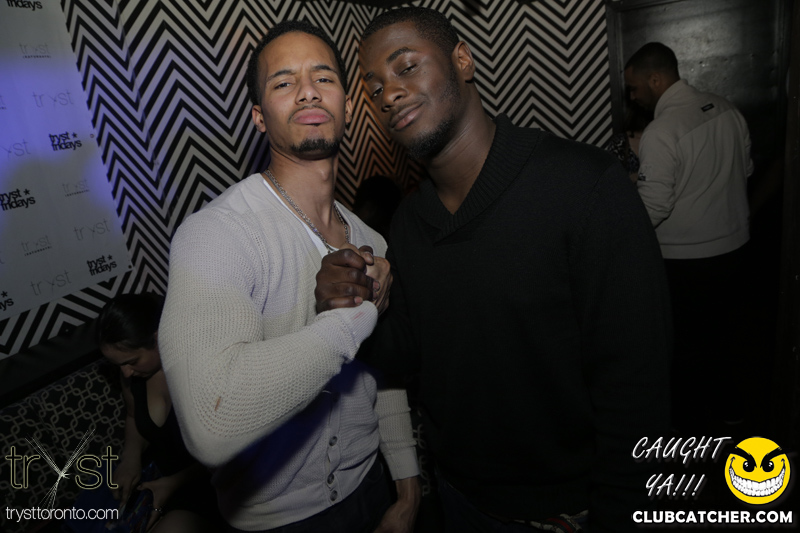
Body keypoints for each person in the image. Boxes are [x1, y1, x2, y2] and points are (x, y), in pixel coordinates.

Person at [315, 7, 671, 532]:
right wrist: (349, 306)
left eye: (406, 67)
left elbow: (638, 386)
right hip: (460, 500)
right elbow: (409, 353)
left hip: (570, 509)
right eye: (375, 88)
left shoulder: (584, 187)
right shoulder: (410, 223)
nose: (388, 95)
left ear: (462, 60)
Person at [157, 20, 420, 533]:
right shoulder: (218, 233)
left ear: (347, 104)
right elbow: (211, 424)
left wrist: (407, 491)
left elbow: (381, 377)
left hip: (373, 489)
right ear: (259, 116)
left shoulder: (372, 239)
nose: (307, 91)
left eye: (323, 78)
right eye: (283, 82)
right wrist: (360, 315)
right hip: (278, 520)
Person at [624, 42, 752, 428]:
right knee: (728, 338)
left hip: (687, 262)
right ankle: (732, 415)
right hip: (737, 248)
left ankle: (690, 431)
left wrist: (619, 237)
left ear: (655, 79)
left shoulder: (662, 130)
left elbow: (654, 208)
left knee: (685, 347)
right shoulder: (726, 108)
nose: (632, 96)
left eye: (634, 88)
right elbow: (744, 170)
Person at [87, 293, 221, 533]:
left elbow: (229, 451)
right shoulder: (132, 375)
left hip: (216, 482)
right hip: (160, 481)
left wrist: (172, 485)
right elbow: (132, 416)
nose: (126, 373)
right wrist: (130, 457)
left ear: (160, 338)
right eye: (118, 365)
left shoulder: (203, 370)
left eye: (132, 361)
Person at [603, 104, 652, 183]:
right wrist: (631, 178)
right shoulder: (620, 142)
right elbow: (611, 176)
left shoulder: (658, 140)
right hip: (626, 189)